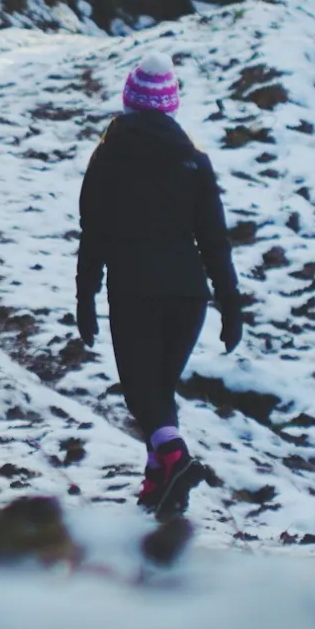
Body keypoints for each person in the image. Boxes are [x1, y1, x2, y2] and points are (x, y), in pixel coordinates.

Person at [75, 58, 244, 512]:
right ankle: (161, 488)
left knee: (141, 394)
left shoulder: (108, 155)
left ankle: (175, 459)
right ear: (170, 105)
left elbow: (94, 231)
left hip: (135, 292)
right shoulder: (193, 159)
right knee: (160, 396)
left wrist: (85, 297)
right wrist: (231, 305)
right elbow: (214, 240)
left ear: (129, 100)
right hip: (189, 297)